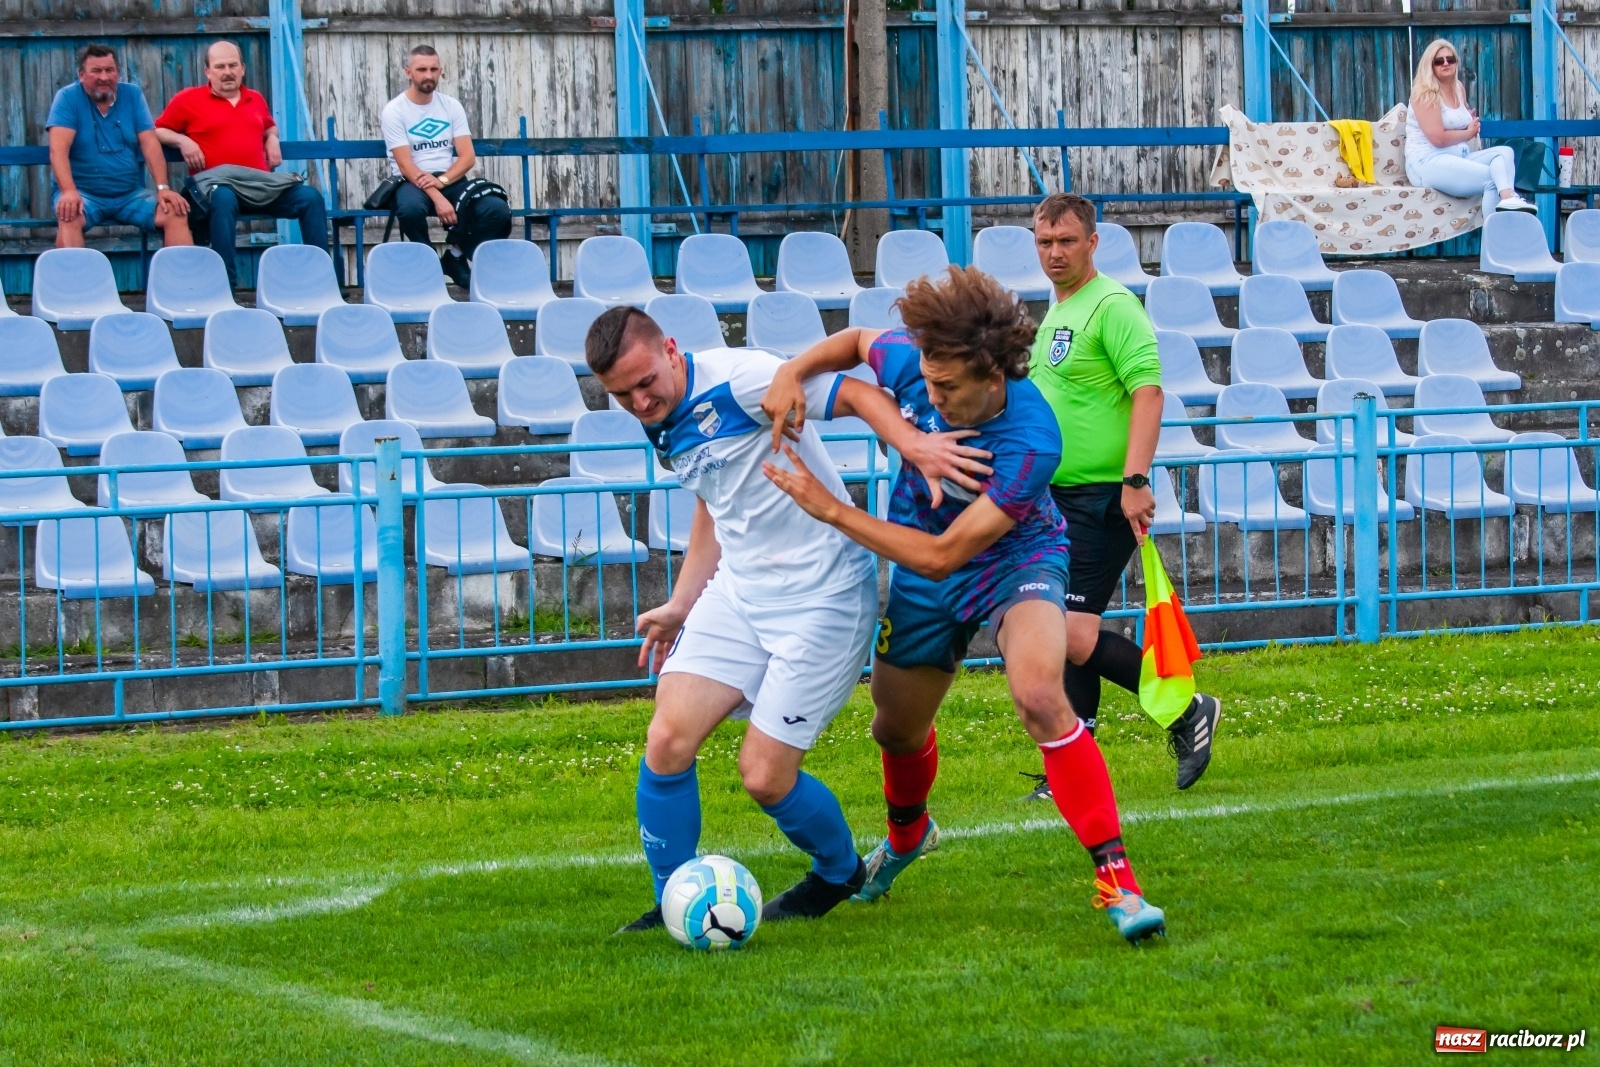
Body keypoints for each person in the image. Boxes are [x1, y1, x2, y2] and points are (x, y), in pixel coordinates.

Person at [761, 266, 1168, 946]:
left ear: (993, 374)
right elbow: (860, 340)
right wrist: (791, 370)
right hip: (925, 568)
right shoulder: (924, 365)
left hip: (1014, 560)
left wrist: (830, 508)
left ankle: (1118, 882)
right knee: (893, 731)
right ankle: (907, 835)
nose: (932, 393)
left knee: (1041, 694)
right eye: (927, 378)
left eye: (948, 386)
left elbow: (945, 555)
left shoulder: (1031, 440)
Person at [586, 306, 978, 932]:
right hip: (741, 590)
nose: (638, 401)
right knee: (666, 741)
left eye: (644, 383)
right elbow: (716, 499)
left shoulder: (741, 381)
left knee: (764, 777)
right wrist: (683, 602)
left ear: (671, 350)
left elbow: (853, 393)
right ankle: (674, 900)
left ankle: (839, 870)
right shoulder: (658, 415)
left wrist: (913, 445)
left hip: (822, 598)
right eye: (621, 394)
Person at [1028, 193, 1221, 794]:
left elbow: (1148, 393)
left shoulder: (1112, 306)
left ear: (1093, 242)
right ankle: (1071, 764)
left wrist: (1135, 481)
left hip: (1102, 496)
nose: (1054, 253)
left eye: (1066, 241)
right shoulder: (1058, 310)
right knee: (1060, 631)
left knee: (1073, 633)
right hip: (1054, 496)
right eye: (1044, 242)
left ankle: (1189, 710)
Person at [154, 40, 329, 287]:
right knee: (223, 199)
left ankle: (322, 280)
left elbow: (269, 125)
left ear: (243, 68)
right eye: (220, 66)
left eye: (233, 65)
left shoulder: (254, 98)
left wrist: (272, 137)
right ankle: (226, 285)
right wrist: (182, 140)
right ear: (207, 71)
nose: (227, 72)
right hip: (217, 188)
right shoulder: (188, 100)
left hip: (259, 186)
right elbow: (158, 130)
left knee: (310, 197)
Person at [380, 45, 511, 289]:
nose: (428, 75)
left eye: (433, 69)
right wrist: (437, 196)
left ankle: (455, 256)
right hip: (411, 181)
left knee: (496, 209)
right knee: (409, 209)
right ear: (408, 72)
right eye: (421, 69)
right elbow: (406, 166)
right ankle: (428, 266)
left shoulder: (451, 106)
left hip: (448, 178)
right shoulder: (394, 111)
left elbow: (467, 157)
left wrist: (442, 182)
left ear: (440, 71)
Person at [47, 44, 191, 250]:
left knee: (175, 211)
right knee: (69, 213)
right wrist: (69, 191)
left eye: (109, 70)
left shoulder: (132, 95)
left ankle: (182, 282)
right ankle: (74, 282)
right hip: (84, 194)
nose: (104, 77)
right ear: (81, 75)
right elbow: (57, 151)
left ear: (118, 72)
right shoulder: (67, 98)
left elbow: (150, 143)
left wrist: (163, 188)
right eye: (96, 71)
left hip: (129, 194)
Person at [1405, 38, 1535, 215]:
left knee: (1505, 153)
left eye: (1450, 59)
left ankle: (1508, 198)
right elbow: (1438, 138)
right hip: (1425, 161)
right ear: (1430, 65)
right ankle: (1495, 235)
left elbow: (1456, 119)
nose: (1445, 63)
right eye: (1438, 61)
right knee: (1492, 179)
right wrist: (1469, 133)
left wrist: (1469, 120)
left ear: (1456, 63)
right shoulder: (1424, 94)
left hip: (1458, 156)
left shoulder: (1458, 87)